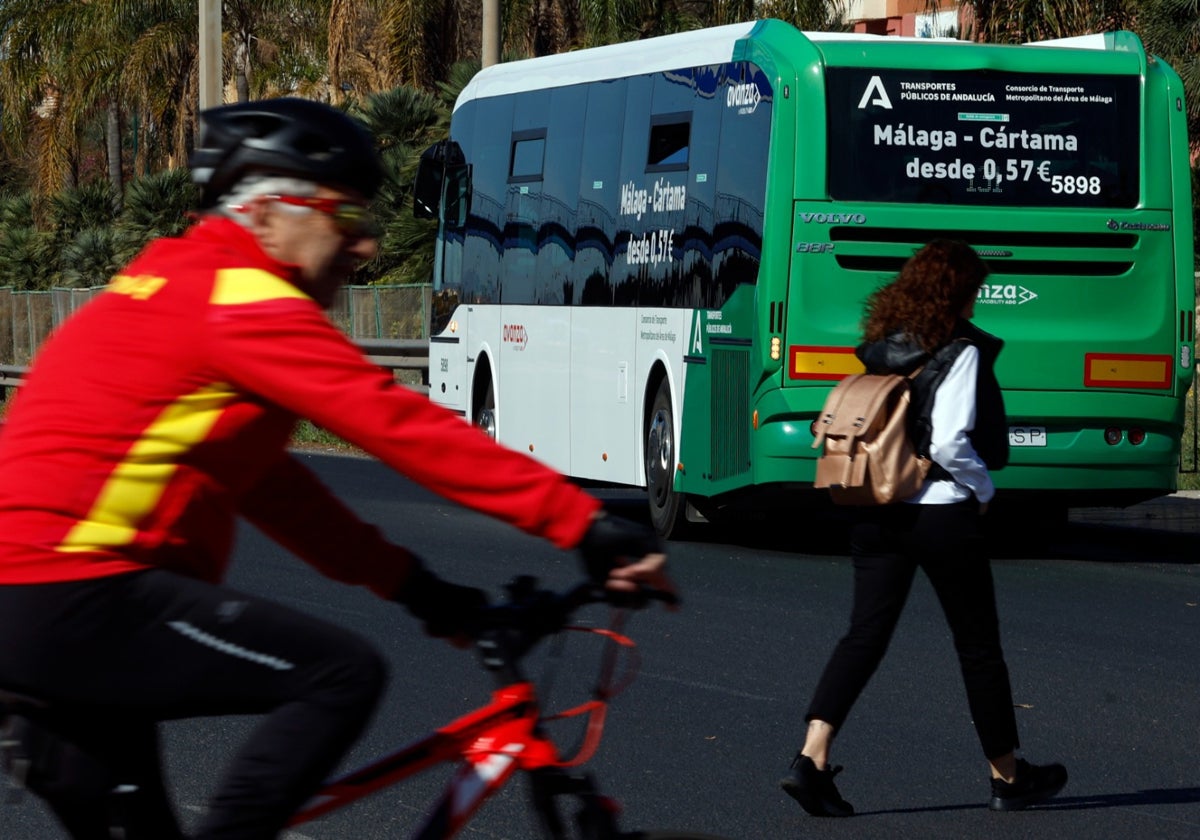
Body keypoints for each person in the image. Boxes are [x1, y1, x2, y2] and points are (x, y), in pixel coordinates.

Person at [0, 97, 674, 840]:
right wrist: (581, 521)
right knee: (339, 674)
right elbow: (397, 422)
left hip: (37, 605)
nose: (361, 248)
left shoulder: (174, 284)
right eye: (343, 218)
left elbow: (277, 492)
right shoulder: (243, 298)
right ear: (265, 212)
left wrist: (419, 589)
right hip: (75, 593)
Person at [779, 239, 1066, 816]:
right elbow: (949, 440)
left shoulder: (882, 349)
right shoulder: (958, 350)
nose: (978, 300)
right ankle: (1008, 777)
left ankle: (811, 758)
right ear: (959, 292)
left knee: (864, 636)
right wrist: (983, 490)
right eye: (975, 290)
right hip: (939, 513)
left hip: (875, 508)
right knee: (978, 647)